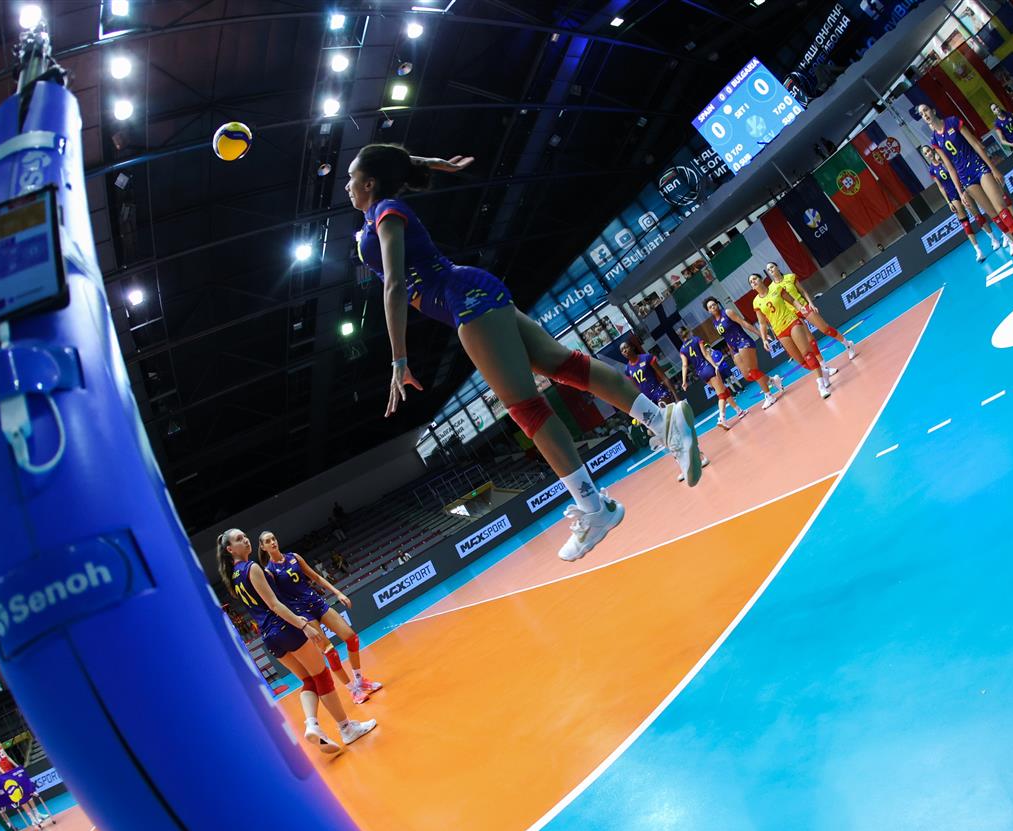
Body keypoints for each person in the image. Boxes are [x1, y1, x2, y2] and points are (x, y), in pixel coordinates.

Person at [349, 144, 701, 562]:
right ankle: (663, 421)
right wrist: (432, 163)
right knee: (563, 365)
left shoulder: (386, 213)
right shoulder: (376, 213)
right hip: (472, 291)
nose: (348, 186)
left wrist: (399, 360)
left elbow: (394, 285)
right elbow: (398, 171)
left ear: (369, 183)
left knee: (525, 408)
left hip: (465, 300)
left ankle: (594, 508)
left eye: (352, 178)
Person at [219, 529, 376, 751]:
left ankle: (312, 724)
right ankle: (346, 728)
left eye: (244, 536)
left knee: (308, 681)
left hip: (269, 638)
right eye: (238, 539)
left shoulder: (234, 577)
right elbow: (274, 604)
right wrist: (302, 624)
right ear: (230, 549)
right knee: (322, 676)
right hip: (284, 628)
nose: (245, 540)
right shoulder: (252, 567)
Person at [258, 531, 382, 705]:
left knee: (351, 638)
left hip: (317, 603)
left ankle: (360, 680)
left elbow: (315, 577)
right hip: (303, 613)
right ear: (263, 547)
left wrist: (338, 593)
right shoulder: (269, 572)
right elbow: (275, 601)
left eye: (273, 539)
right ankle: (353, 690)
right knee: (330, 652)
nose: (272, 542)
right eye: (267, 541)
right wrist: (295, 620)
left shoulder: (294, 557)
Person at [917, 103, 1013, 272]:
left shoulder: (953, 122)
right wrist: (960, 193)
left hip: (978, 167)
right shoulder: (935, 140)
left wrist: (993, 168)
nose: (924, 114)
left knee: (1001, 209)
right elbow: (950, 167)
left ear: (933, 110)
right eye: (921, 114)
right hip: (965, 178)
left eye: (925, 110)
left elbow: (975, 145)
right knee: (994, 216)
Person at [749, 273, 832, 399]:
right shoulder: (756, 302)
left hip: (792, 322)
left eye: (755, 278)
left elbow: (792, 300)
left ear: (761, 279)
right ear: (752, 287)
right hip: (780, 332)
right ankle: (823, 372)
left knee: (807, 354)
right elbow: (762, 323)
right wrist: (764, 338)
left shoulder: (775, 288)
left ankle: (821, 386)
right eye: (751, 282)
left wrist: (801, 307)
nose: (753, 282)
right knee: (802, 362)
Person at [919, 144, 1003, 261]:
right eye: (925, 153)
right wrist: (949, 202)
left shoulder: (944, 159)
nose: (928, 154)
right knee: (965, 223)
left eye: (928, 151)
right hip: (952, 195)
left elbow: (953, 171)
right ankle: (978, 250)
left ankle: (994, 238)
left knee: (977, 215)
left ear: (932, 150)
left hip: (962, 189)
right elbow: (941, 187)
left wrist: (942, 162)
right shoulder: (932, 170)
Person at [762, 264, 855, 365]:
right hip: (792, 315)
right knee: (811, 341)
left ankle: (847, 344)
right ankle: (824, 366)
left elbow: (803, 291)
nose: (770, 270)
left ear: (777, 267)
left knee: (825, 329)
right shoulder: (771, 288)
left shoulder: (790, 277)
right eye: (768, 269)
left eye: (772, 267)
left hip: (803, 307)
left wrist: (810, 303)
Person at [703, 298, 784, 408]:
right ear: (708, 311)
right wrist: (732, 354)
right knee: (747, 376)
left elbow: (744, 323)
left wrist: (761, 335)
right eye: (710, 307)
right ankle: (773, 380)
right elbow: (726, 337)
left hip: (743, 341)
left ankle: (769, 396)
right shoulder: (715, 323)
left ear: (717, 304)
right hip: (734, 348)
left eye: (714, 304)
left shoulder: (727, 312)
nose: (713, 307)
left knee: (753, 371)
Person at [678, 326, 747, 430]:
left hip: (701, 373)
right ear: (687, 332)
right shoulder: (696, 339)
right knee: (721, 394)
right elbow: (706, 354)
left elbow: (684, 365)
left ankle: (739, 411)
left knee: (723, 389)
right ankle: (721, 418)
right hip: (708, 368)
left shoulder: (682, 350)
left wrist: (684, 381)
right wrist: (715, 366)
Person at [0, 728, 48, 827]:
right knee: (18, 794)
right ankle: (32, 819)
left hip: (11, 769)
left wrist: (16, 766)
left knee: (26, 789)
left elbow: (6, 756)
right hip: (5, 770)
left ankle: (37, 814)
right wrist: (3, 773)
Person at [621, 341, 679, 407]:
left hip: (659, 391)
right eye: (622, 350)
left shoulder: (646, 358)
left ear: (632, 347)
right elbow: (636, 389)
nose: (624, 351)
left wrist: (676, 397)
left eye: (626, 347)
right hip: (647, 399)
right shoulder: (627, 369)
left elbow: (663, 377)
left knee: (663, 405)